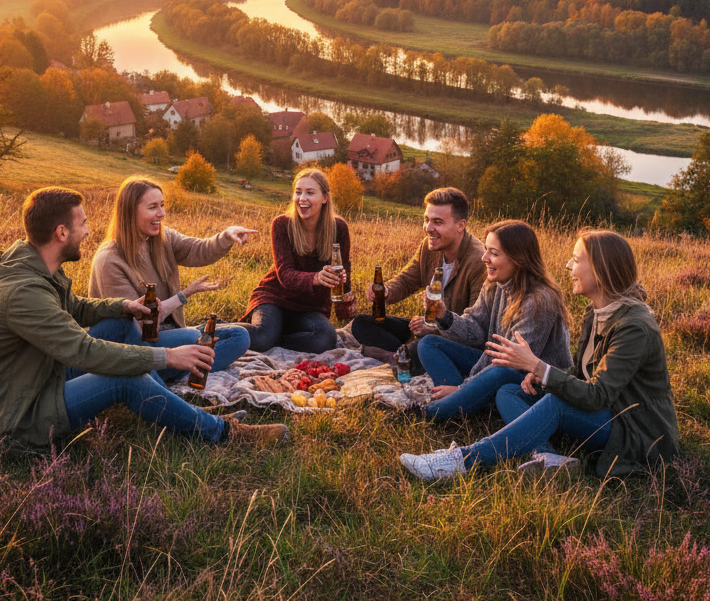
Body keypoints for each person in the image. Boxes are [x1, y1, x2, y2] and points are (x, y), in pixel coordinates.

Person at [0, 186, 287, 452]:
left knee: (119, 326)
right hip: (14, 415)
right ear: (61, 232)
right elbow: (84, 350)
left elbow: (75, 307)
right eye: (83, 224)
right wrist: (168, 356)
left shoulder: (36, 267)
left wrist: (122, 307)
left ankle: (178, 409)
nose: (89, 231)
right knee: (124, 379)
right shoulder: (23, 292)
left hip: (38, 379)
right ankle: (224, 433)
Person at [400, 229, 680, 481]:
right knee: (508, 391)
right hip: (606, 412)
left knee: (551, 401)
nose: (568, 265)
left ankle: (460, 459)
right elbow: (584, 374)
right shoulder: (599, 312)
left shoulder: (634, 327)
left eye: (576, 259)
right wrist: (538, 376)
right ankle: (549, 457)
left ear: (601, 269)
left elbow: (597, 395)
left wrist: (538, 367)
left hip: (635, 432)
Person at [88, 177, 253, 377]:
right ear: (130, 212)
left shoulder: (161, 239)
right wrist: (183, 296)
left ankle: (180, 370)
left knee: (239, 336)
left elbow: (197, 249)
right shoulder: (109, 260)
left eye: (163, 205)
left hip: (171, 333)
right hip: (139, 346)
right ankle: (177, 369)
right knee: (192, 336)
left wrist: (226, 236)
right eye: (153, 207)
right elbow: (133, 329)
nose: (162, 213)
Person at [415, 219, 571, 420]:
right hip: (494, 365)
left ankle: (430, 412)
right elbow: (475, 330)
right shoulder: (495, 284)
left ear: (518, 259)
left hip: (530, 382)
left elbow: (512, 362)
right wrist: (443, 316)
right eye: (486, 250)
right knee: (429, 343)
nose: (484, 258)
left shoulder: (539, 301)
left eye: (494, 253)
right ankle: (462, 405)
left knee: (498, 373)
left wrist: (462, 388)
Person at [350, 187, 488, 372]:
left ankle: (401, 357)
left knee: (424, 345)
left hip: (454, 340)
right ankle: (403, 355)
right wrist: (387, 291)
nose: (428, 228)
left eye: (437, 222)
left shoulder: (479, 261)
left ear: (460, 225)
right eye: (427, 220)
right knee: (361, 323)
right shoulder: (429, 247)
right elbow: (407, 280)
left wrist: (436, 329)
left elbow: (475, 330)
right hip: (427, 329)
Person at [239, 168, 351, 353]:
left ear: (325, 198)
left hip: (310, 307)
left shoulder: (339, 228)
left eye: (310, 192)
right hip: (274, 297)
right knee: (261, 337)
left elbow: (343, 271)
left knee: (324, 339)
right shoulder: (282, 224)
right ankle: (207, 331)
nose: (302, 198)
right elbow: (285, 274)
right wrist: (316, 278)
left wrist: (344, 291)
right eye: (298, 192)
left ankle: (276, 336)